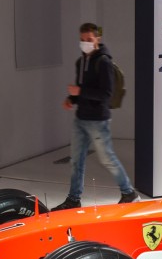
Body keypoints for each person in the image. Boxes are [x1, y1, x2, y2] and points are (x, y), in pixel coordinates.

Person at [52, 22, 138, 210]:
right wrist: (71, 99)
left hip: (98, 120)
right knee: (76, 160)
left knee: (107, 158)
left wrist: (79, 91)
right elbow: (80, 90)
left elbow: (105, 95)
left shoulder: (104, 62)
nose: (85, 43)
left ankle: (128, 193)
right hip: (80, 118)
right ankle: (73, 199)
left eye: (89, 40)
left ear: (98, 38)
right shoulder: (80, 61)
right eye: (82, 40)